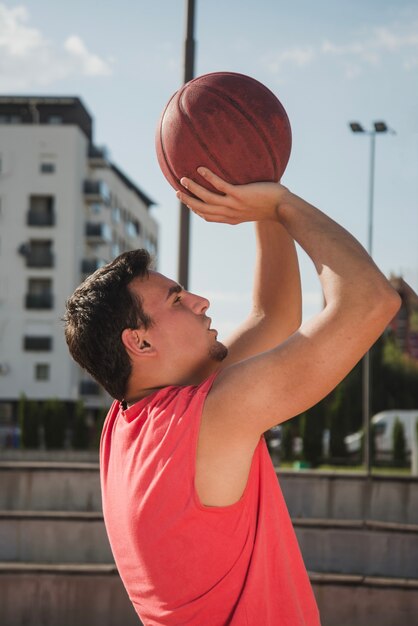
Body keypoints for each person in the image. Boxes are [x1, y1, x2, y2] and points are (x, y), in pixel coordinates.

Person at [64, 168, 400, 626]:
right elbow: (370, 300)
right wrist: (282, 203)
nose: (201, 300)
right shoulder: (205, 419)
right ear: (139, 343)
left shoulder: (129, 423)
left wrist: (259, 190)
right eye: (177, 300)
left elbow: (273, 316)